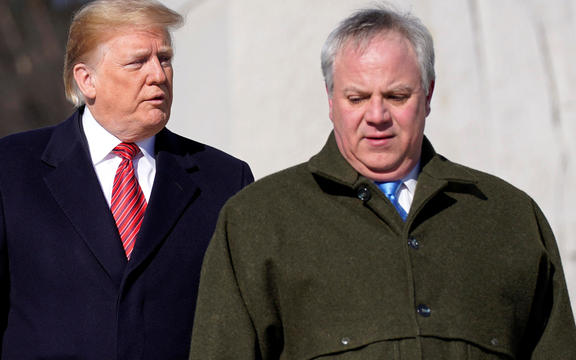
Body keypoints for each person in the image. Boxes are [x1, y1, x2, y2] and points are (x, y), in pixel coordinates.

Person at [189, 6, 576, 359]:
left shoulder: (510, 217)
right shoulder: (258, 221)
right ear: (330, 99)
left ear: (428, 95)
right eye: (357, 98)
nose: (377, 115)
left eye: (396, 95)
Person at [0, 0, 253, 359]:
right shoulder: (5, 172)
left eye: (164, 58)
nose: (159, 75)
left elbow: (245, 326)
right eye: (137, 62)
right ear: (87, 79)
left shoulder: (225, 178)